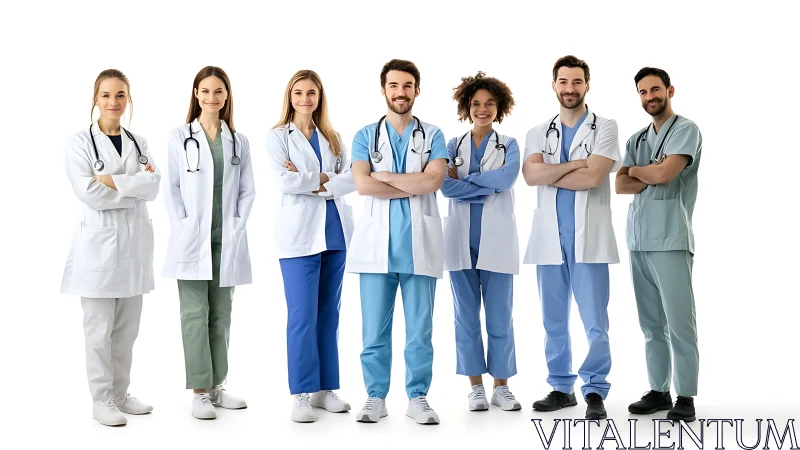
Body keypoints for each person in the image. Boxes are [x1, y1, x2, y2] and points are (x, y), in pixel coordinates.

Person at [346, 59, 448, 425]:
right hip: (377, 249)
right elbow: (362, 185)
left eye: (407, 85)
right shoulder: (364, 136)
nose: (400, 92)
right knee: (374, 331)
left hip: (419, 247)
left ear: (416, 90)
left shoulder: (434, 135)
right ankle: (375, 397)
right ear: (384, 89)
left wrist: (385, 176)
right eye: (394, 85)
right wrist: (411, 179)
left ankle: (418, 397)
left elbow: (432, 182)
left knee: (420, 332)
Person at [521, 55, 621, 420]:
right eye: (563, 82)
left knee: (595, 319)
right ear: (554, 85)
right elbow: (530, 177)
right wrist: (575, 165)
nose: (570, 89)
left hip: (588, 238)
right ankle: (561, 387)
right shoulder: (537, 131)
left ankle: (594, 389)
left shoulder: (605, 127)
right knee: (553, 319)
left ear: (587, 85)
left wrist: (550, 172)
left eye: (576, 82)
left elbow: (593, 178)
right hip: (549, 238)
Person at [62, 69, 159, 426]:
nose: (113, 102)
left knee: (127, 330)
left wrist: (113, 181)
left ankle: (120, 394)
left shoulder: (138, 141)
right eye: (106, 95)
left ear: (127, 98)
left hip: (134, 249)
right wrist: (131, 187)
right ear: (95, 99)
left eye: (120, 95)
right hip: (98, 250)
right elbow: (89, 193)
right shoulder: (79, 142)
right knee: (99, 330)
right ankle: (101, 400)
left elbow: (154, 186)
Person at [163, 66, 255, 420]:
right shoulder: (179, 137)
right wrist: (182, 224)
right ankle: (200, 390)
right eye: (205, 91)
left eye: (218, 91)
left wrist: (237, 224)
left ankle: (218, 385)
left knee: (222, 314)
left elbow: (247, 190)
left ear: (227, 96)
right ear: (196, 94)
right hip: (191, 239)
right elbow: (171, 187)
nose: (212, 97)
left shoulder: (238, 140)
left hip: (225, 238)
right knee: (193, 314)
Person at [267, 69, 356, 423]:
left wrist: (317, 181)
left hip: (335, 232)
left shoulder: (333, 137)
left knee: (328, 316)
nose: (305, 99)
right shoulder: (277, 137)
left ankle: (325, 389)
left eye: (312, 93)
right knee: (302, 317)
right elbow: (284, 181)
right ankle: (302, 393)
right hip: (299, 236)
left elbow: (352, 179)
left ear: (320, 98)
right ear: (290, 97)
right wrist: (325, 179)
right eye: (299, 93)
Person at [617, 67, 702, 423]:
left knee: (679, 322)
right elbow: (620, 185)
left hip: (670, 238)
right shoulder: (636, 140)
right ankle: (658, 390)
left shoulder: (686, 130)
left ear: (669, 90)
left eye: (655, 89)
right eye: (642, 91)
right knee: (651, 324)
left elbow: (665, 174)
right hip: (638, 239)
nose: (649, 96)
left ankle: (685, 396)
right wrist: (642, 170)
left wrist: (641, 171)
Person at [441, 72, 522, 412]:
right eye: (476, 103)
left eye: (490, 103)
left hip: (497, 241)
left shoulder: (510, 145)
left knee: (500, 316)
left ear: (499, 107)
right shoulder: (451, 146)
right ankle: (475, 385)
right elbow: (445, 185)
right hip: (459, 241)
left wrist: (469, 181)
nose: (483, 109)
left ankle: (501, 386)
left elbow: (507, 178)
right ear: (466, 106)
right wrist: (485, 186)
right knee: (465, 317)